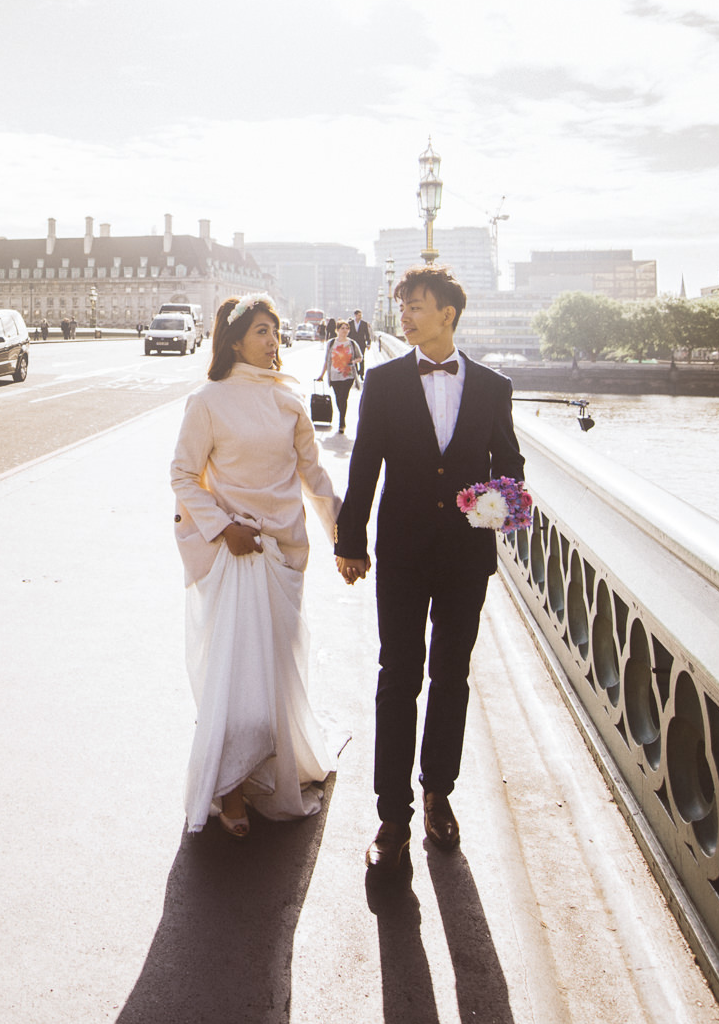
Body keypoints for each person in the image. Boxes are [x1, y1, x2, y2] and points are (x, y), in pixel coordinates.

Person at [334, 265, 524, 872]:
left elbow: (512, 470)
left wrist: (489, 508)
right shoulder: (385, 382)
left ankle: (438, 793)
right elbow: (364, 464)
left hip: (465, 558)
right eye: (403, 306)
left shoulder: (494, 387)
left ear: (448, 313)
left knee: (451, 677)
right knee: (398, 676)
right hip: (403, 554)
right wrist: (351, 540)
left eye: (417, 306)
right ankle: (393, 817)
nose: (406, 316)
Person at [169, 293, 339, 839]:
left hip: (285, 553)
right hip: (234, 555)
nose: (273, 340)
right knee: (238, 679)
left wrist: (345, 539)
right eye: (263, 330)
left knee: (279, 669)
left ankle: (270, 768)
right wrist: (223, 528)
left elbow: (314, 480)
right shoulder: (208, 401)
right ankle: (230, 785)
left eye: (277, 330)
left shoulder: (289, 401)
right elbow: (182, 476)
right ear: (236, 339)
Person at [319, 319, 361, 433]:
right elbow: (326, 360)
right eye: (342, 328)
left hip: (348, 375)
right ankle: (342, 417)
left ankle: (341, 422)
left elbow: (360, 357)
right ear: (337, 330)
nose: (345, 330)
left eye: (347, 328)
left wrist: (352, 362)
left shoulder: (352, 343)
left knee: (344, 397)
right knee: (338, 398)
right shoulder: (331, 343)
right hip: (334, 375)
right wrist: (321, 375)